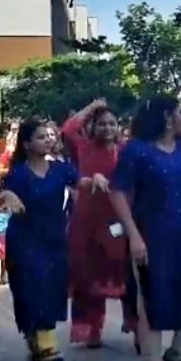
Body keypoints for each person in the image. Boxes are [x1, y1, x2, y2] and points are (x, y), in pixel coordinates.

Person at [110, 95, 181, 361]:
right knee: (151, 299)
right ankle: (152, 359)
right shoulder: (137, 150)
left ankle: (177, 352)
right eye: (179, 112)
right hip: (151, 238)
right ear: (167, 118)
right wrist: (134, 235)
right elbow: (117, 191)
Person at [0, 118, 108, 361]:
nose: (47, 140)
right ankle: (44, 343)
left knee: (50, 289)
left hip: (54, 239)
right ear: (27, 144)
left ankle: (39, 339)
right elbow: (4, 193)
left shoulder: (60, 169)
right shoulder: (18, 173)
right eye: (40, 137)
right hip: (24, 240)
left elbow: (81, 182)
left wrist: (96, 179)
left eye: (48, 136)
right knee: (29, 289)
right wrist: (8, 195)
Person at [62, 99, 128, 347]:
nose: (108, 128)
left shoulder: (126, 150)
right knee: (88, 277)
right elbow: (68, 129)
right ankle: (91, 330)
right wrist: (92, 107)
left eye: (112, 123)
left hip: (120, 219)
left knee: (127, 275)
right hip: (88, 220)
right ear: (93, 126)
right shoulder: (84, 146)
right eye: (102, 124)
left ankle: (136, 326)